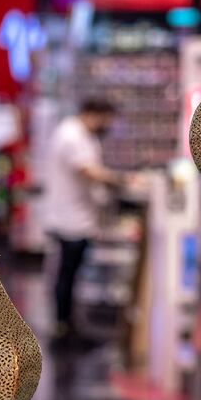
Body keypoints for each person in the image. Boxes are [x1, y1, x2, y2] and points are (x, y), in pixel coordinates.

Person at [43, 99, 123, 342]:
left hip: (77, 216)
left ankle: (68, 324)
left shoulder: (80, 134)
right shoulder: (72, 136)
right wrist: (124, 179)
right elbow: (88, 170)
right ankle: (63, 326)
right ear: (92, 113)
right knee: (67, 275)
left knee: (71, 275)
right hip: (70, 218)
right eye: (106, 119)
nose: (108, 125)